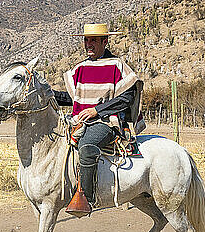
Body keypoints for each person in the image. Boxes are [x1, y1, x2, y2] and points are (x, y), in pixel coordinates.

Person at [54, 23, 144, 217]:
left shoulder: (117, 66)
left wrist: (96, 110)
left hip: (107, 122)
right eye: (86, 40)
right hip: (80, 120)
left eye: (93, 40)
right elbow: (76, 98)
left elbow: (126, 99)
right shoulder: (80, 68)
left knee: (86, 146)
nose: (88, 44)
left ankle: (87, 198)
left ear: (105, 41)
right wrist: (47, 94)